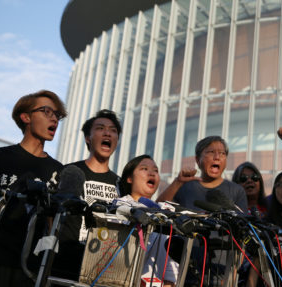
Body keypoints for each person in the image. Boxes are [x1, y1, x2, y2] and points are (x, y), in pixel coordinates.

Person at [0, 90, 67, 287]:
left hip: (32, 270)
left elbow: (53, 228)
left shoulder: (59, 171)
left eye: (57, 115)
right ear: (26, 117)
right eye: (47, 112)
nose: (54, 119)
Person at [52, 109, 123, 281]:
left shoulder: (120, 184)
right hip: (64, 263)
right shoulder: (69, 171)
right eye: (100, 128)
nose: (107, 132)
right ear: (88, 138)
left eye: (113, 130)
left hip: (103, 266)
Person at [116, 154, 178, 286]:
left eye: (155, 170)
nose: (152, 173)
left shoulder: (165, 212)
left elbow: (170, 261)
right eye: (144, 169)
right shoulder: (120, 206)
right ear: (129, 178)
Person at [156, 135, 247, 211]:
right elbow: (156, 209)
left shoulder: (237, 191)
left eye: (222, 153)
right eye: (211, 152)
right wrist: (178, 182)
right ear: (198, 160)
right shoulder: (185, 187)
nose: (217, 157)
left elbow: (244, 225)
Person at [232, 127, 282, 214]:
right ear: (235, 184)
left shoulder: (271, 204)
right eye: (243, 178)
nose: (249, 181)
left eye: (254, 177)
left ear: (260, 182)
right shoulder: (231, 211)